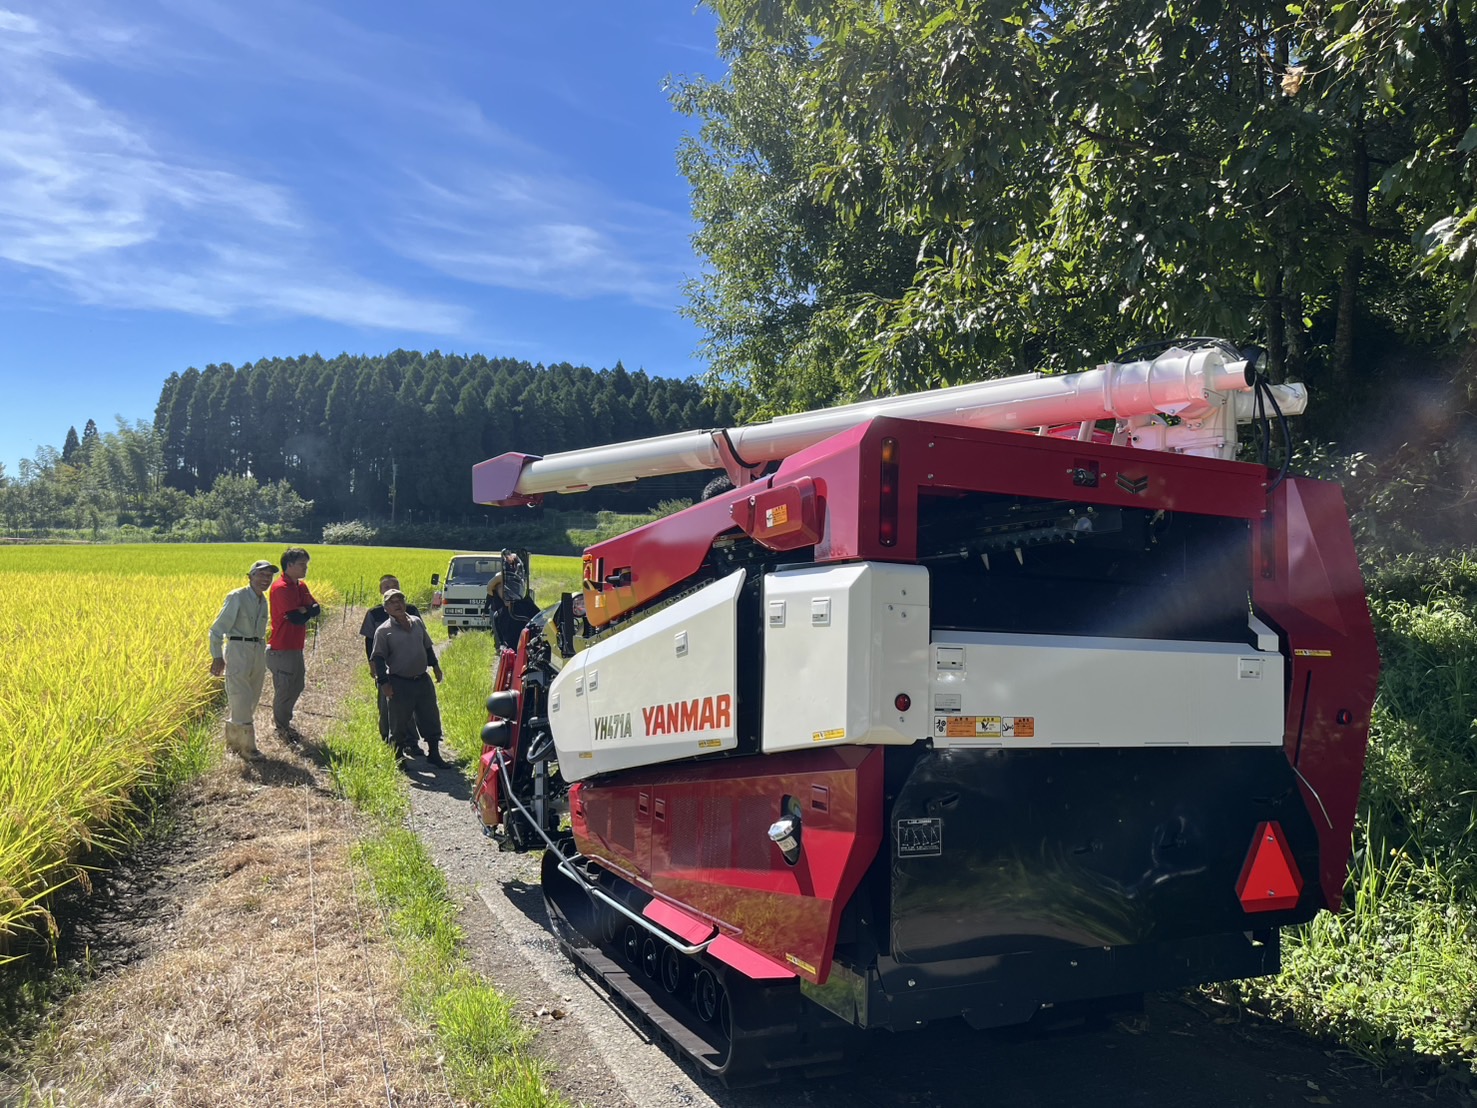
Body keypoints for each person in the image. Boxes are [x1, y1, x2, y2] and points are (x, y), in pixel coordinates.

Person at [370, 589, 447, 766]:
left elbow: (427, 646)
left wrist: (435, 666)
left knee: (430, 717)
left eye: (400, 600)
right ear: (386, 608)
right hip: (399, 682)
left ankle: (434, 754)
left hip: (422, 680)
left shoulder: (417, 622)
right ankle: (399, 758)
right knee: (398, 723)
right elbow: (379, 658)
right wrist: (384, 683)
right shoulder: (383, 631)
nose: (397, 604)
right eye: (392, 602)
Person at [208, 559, 275, 761]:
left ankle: (234, 744)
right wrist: (217, 656)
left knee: (252, 698)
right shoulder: (237, 596)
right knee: (240, 696)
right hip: (238, 649)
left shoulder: (263, 600)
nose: (266, 579)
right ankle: (248, 748)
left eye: (269, 575)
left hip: (257, 649)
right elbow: (216, 629)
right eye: (261, 574)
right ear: (250, 576)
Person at [358, 573, 422, 747]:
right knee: (386, 702)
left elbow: (421, 637)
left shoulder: (412, 611)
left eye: (395, 585)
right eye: (387, 586)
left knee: (410, 703)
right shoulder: (374, 613)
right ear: (381, 591)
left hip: (408, 665)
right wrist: (372, 665)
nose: (391, 589)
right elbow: (369, 641)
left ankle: (411, 741)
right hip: (384, 666)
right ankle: (388, 739)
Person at [266, 547, 320, 742]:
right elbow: (297, 618)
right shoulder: (281, 587)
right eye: (301, 564)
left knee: (297, 685)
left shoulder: (300, 586)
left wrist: (303, 610)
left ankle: (284, 724)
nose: (305, 568)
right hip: (282, 647)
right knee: (285, 688)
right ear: (289, 565)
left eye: (306, 564)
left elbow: (316, 609)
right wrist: (305, 610)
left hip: (296, 646)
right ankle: (281, 728)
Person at [485, 548, 535, 648]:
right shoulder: (500, 577)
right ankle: (501, 646)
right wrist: (485, 608)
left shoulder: (519, 578)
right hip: (499, 607)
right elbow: (490, 591)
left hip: (515, 606)